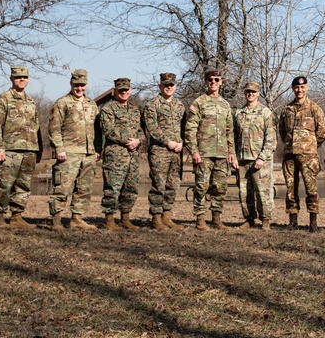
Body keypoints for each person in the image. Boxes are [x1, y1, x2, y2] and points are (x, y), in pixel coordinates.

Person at [0, 65, 41, 230]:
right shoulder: (3, 99)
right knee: (4, 184)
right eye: (18, 77)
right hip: (10, 150)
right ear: (12, 79)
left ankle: (17, 216)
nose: (22, 80)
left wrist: (39, 149)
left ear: (28, 79)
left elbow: (37, 127)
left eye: (24, 77)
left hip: (30, 149)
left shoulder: (31, 101)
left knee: (24, 185)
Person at [184, 69, 238, 230]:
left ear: (221, 82)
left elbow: (230, 131)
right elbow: (190, 129)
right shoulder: (199, 102)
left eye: (216, 79)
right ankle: (200, 219)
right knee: (201, 186)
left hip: (221, 153)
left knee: (220, 187)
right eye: (210, 80)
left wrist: (231, 153)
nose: (213, 82)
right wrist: (194, 150)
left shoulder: (225, 105)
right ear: (206, 82)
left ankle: (216, 219)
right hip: (204, 153)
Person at [48, 69, 99, 231]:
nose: (79, 88)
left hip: (89, 153)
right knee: (62, 186)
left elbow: (97, 129)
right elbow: (54, 128)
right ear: (71, 83)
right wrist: (59, 148)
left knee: (84, 188)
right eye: (76, 85)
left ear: (86, 85)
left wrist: (96, 149)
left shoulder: (92, 104)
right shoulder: (62, 103)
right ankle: (56, 220)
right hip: (68, 152)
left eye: (82, 85)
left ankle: (77, 218)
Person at [278, 76, 325, 231]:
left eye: (302, 87)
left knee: (311, 188)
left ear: (307, 88)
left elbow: (322, 131)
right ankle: (293, 221)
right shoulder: (287, 110)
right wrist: (290, 143)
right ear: (293, 89)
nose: (299, 90)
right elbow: (282, 131)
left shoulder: (314, 108)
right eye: (297, 88)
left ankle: (313, 222)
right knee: (291, 188)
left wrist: (311, 145)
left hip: (308, 156)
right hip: (290, 154)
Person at [98, 78, 143, 231]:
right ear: (115, 91)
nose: (124, 92)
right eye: (121, 90)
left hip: (132, 155)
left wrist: (138, 141)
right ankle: (109, 219)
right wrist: (128, 141)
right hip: (115, 155)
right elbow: (108, 130)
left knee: (131, 187)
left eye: (126, 90)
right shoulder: (108, 109)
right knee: (112, 187)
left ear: (130, 91)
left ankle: (125, 218)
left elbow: (141, 131)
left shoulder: (135, 109)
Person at [142, 73, 185, 230]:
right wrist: (168, 142)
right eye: (166, 85)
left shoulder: (180, 106)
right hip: (160, 151)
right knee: (158, 184)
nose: (169, 87)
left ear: (175, 86)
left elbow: (184, 127)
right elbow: (152, 127)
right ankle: (156, 217)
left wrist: (181, 143)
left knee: (173, 184)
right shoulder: (152, 104)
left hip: (176, 152)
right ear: (160, 86)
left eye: (171, 85)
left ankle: (166, 216)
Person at [233, 81, 276, 230]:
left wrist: (262, 157)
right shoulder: (239, 113)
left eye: (253, 92)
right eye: (248, 92)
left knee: (262, 192)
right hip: (242, 159)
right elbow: (234, 136)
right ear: (245, 93)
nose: (250, 94)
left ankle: (265, 220)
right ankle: (249, 219)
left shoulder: (265, 113)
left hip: (259, 160)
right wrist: (234, 156)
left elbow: (270, 138)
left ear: (258, 94)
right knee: (244, 192)